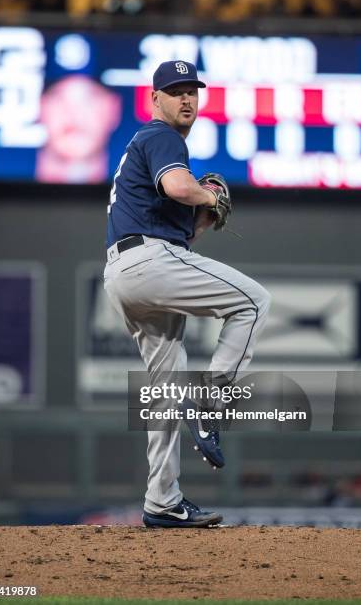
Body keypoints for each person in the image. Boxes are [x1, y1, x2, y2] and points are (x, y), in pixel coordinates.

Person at [104, 60, 271, 528]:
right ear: (154, 99)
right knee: (254, 301)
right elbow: (178, 186)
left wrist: (201, 215)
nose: (186, 99)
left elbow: (180, 235)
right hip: (147, 263)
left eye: (191, 91)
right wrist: (208, 196)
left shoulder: (147, 147)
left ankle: (162, 501)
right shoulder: (161, 137)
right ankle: (212, 403)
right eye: (174, 91)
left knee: (164, 391)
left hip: (126, 272)